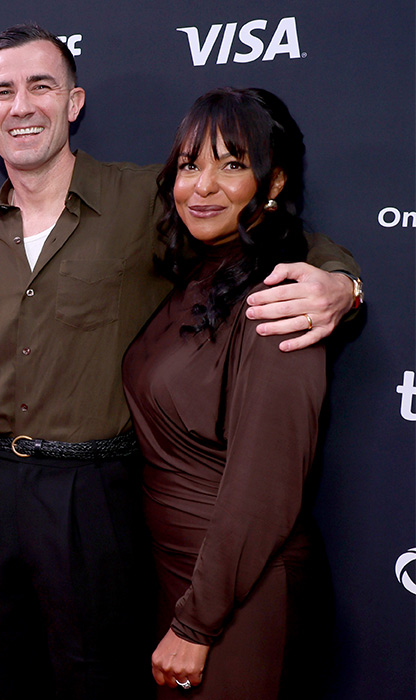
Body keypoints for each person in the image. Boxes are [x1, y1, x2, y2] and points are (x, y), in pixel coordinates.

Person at [0, 25, 362, 698]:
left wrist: (342, 286)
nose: (20, 105)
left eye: (40, 86)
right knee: (0, 674)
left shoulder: (149, 195)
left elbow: (272, 237)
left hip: (93, 491)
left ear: (74, 103)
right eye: (2, 92)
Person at [123, 87, 334, 698]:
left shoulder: (279, 299)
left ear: (274, 183)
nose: (203, 187)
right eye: (190, 165)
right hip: (182, 578)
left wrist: (197, 623)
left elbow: (265, 485)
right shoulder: (200, 272)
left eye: (232, 164)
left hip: (240, 597)